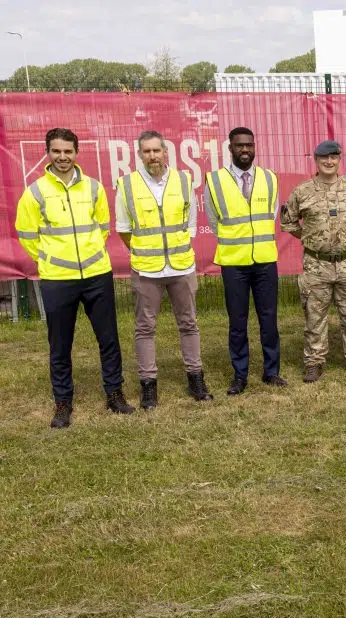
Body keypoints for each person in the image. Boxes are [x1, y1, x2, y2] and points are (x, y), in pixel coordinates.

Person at [15, 127, 135, 427]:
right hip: (57, 279)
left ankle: (114, 394)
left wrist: (90, 256)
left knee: (109, 339)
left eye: (68, 151)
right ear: (47, 152)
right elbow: (27, 235)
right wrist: (49, 259)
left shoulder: (94, 188)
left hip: (96, 275)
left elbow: (103, 227)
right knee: (60, 345)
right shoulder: (34, 193)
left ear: (76, 153)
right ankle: (63, 402)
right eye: (56, 151)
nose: (62, 156)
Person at [115, 130, 212, 409]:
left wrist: (178, 246)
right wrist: (146, 250)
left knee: (189, 323)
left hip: (181, 265)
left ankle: (196, 378)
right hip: (147, 269)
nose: (152, 156)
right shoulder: (127, 184)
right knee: (145, 327)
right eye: (146, 151)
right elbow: (124, 228)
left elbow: (190, 222)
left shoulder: (183, 180)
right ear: (139, 155)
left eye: (156, 150)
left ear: (165, 152)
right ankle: (148, 385)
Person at [205, 126, 286, 395]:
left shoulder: (270, 178)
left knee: (269, 319)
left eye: (249, 145)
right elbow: (213, 221)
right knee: (237, 322)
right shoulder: (214, 180)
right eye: (239, 145)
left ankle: (271, 371)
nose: (245, 150)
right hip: (234, 263)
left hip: (264, 260)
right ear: (230, 148)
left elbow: (272, 215)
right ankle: (240, 375)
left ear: (254, 147)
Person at [281, 140, 346, 383]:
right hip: (316, 265)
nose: (329, 162)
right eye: (324, 158)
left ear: (339, 160)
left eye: (333, 157)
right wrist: (310, 237)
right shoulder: (303, 191)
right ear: (316, 160)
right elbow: (288, 221)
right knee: (314, 317)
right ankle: (314, 361)